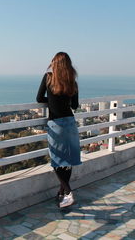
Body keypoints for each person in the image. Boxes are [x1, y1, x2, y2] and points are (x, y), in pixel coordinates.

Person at [36, 52, 82, 208]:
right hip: (70, 123)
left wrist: (52, 100)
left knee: (57, 160)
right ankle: (62, 193)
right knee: (67, 161)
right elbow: (74, 106)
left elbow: (39, 98)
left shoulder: (48, 77)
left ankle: (68, 192)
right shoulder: (72, 82)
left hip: (56, 124)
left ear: (54, 64)